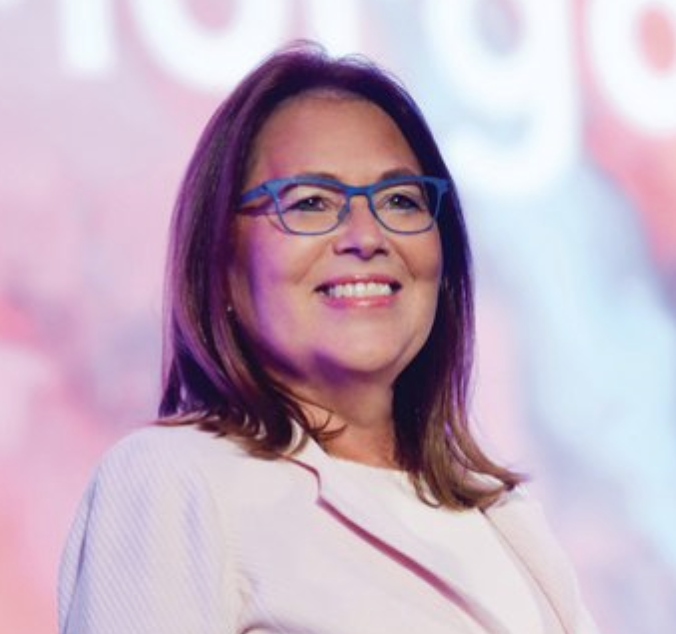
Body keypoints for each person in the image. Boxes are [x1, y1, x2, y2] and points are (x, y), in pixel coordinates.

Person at [58, 42, 600, 634]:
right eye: (311, 203)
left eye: (400, 200)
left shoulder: (503, 520)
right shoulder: (173, 480)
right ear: (222, 263)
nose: (366, 236)